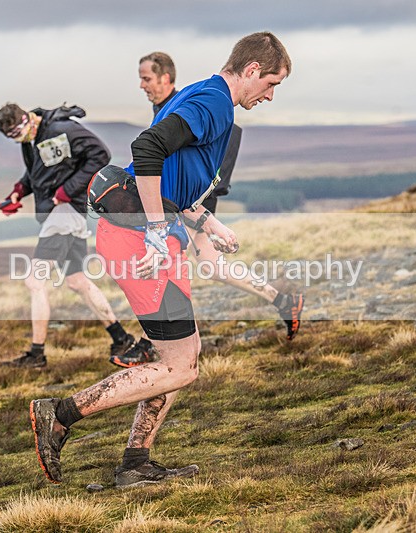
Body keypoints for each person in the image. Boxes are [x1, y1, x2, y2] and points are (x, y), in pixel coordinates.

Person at [30, 32, 294, 487]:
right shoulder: (213, 102)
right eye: (271, 83)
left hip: (151, 237)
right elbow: (147, 150)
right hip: (138, 241)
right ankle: (60, 414)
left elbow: (172, 173)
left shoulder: (207, 95)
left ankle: (136, 462)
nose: (270, 95)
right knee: (178, 365)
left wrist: (206, 221)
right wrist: (155, 229)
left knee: (182, 356)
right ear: (252, 70)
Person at [110, 50, 303, 368]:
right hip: (180, 203)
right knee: (211, 266)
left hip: (189, 202)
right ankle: (282, 300)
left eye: (146, 79)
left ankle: (153, 343)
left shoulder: (196, 102)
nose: (142, 85)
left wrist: (199, 215)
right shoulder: (177, 103)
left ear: (165, 78)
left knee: (170, 263)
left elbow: (194, 153)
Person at [0, 103, 135, 368]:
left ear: (26, 121)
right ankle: (121, 337)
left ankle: (37, 354)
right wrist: (18, 191)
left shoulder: (61, 130)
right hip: (61, 213)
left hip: (65, 213)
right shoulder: (34, 136)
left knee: (34, 282)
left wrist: (67, 191)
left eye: (17, 134)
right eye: (11, 138)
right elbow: (39, 169)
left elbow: (100, 155)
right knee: (78, 282)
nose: (17, 140)